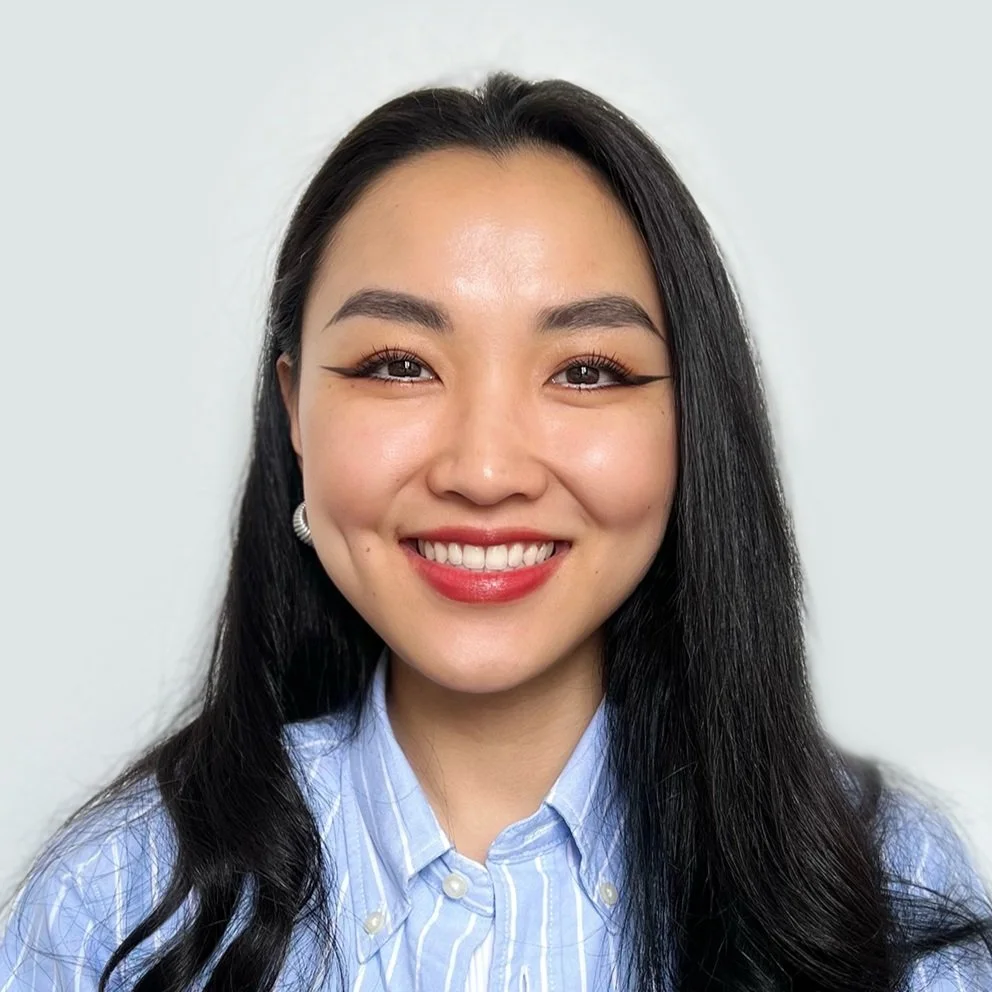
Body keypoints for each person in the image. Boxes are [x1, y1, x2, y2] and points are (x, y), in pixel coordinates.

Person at [1, 70, 990, 992]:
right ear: (295, 409)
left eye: (587, 371)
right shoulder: (118, 904)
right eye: (398, 364)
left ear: (691, 418)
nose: (483, 472)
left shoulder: (882, 883)